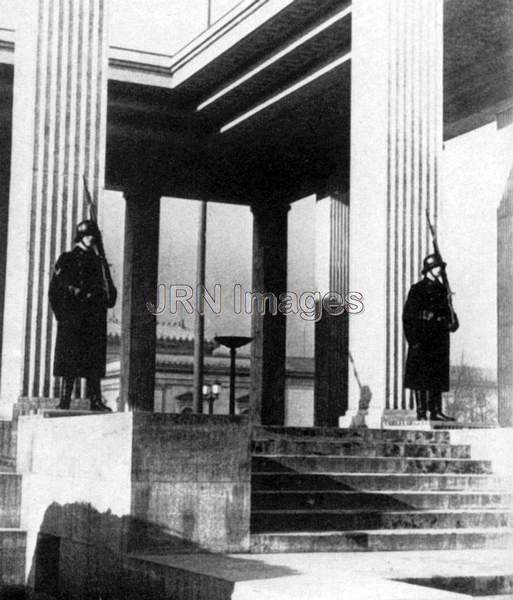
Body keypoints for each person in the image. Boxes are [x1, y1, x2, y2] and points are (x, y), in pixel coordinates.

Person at [49, 220, 117, 411]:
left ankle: (95, 400)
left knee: (93, 360)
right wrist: (63, 315)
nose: (91, 239)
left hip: (93, 318)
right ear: (80, 237)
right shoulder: (67, 258)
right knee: (70, 360)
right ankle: (65, 399)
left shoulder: (98, 261)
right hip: (73, 318)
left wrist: (107, 281)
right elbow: (55, 289)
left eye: (93, 236)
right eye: (88, 235)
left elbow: (109, 296)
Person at [403, 254, 459, 421]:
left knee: (438, 374)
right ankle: (421, 411)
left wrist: (452, 321)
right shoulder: (417, 289)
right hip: (423, 335)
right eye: (437, 267)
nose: (440, 270)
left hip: (439, 336)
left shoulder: (442, 289)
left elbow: (449, 310)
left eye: (440, 267)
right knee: (420, 375)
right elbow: (408, 316)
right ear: (429, 269)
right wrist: (413, 340)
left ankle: (435, 411)